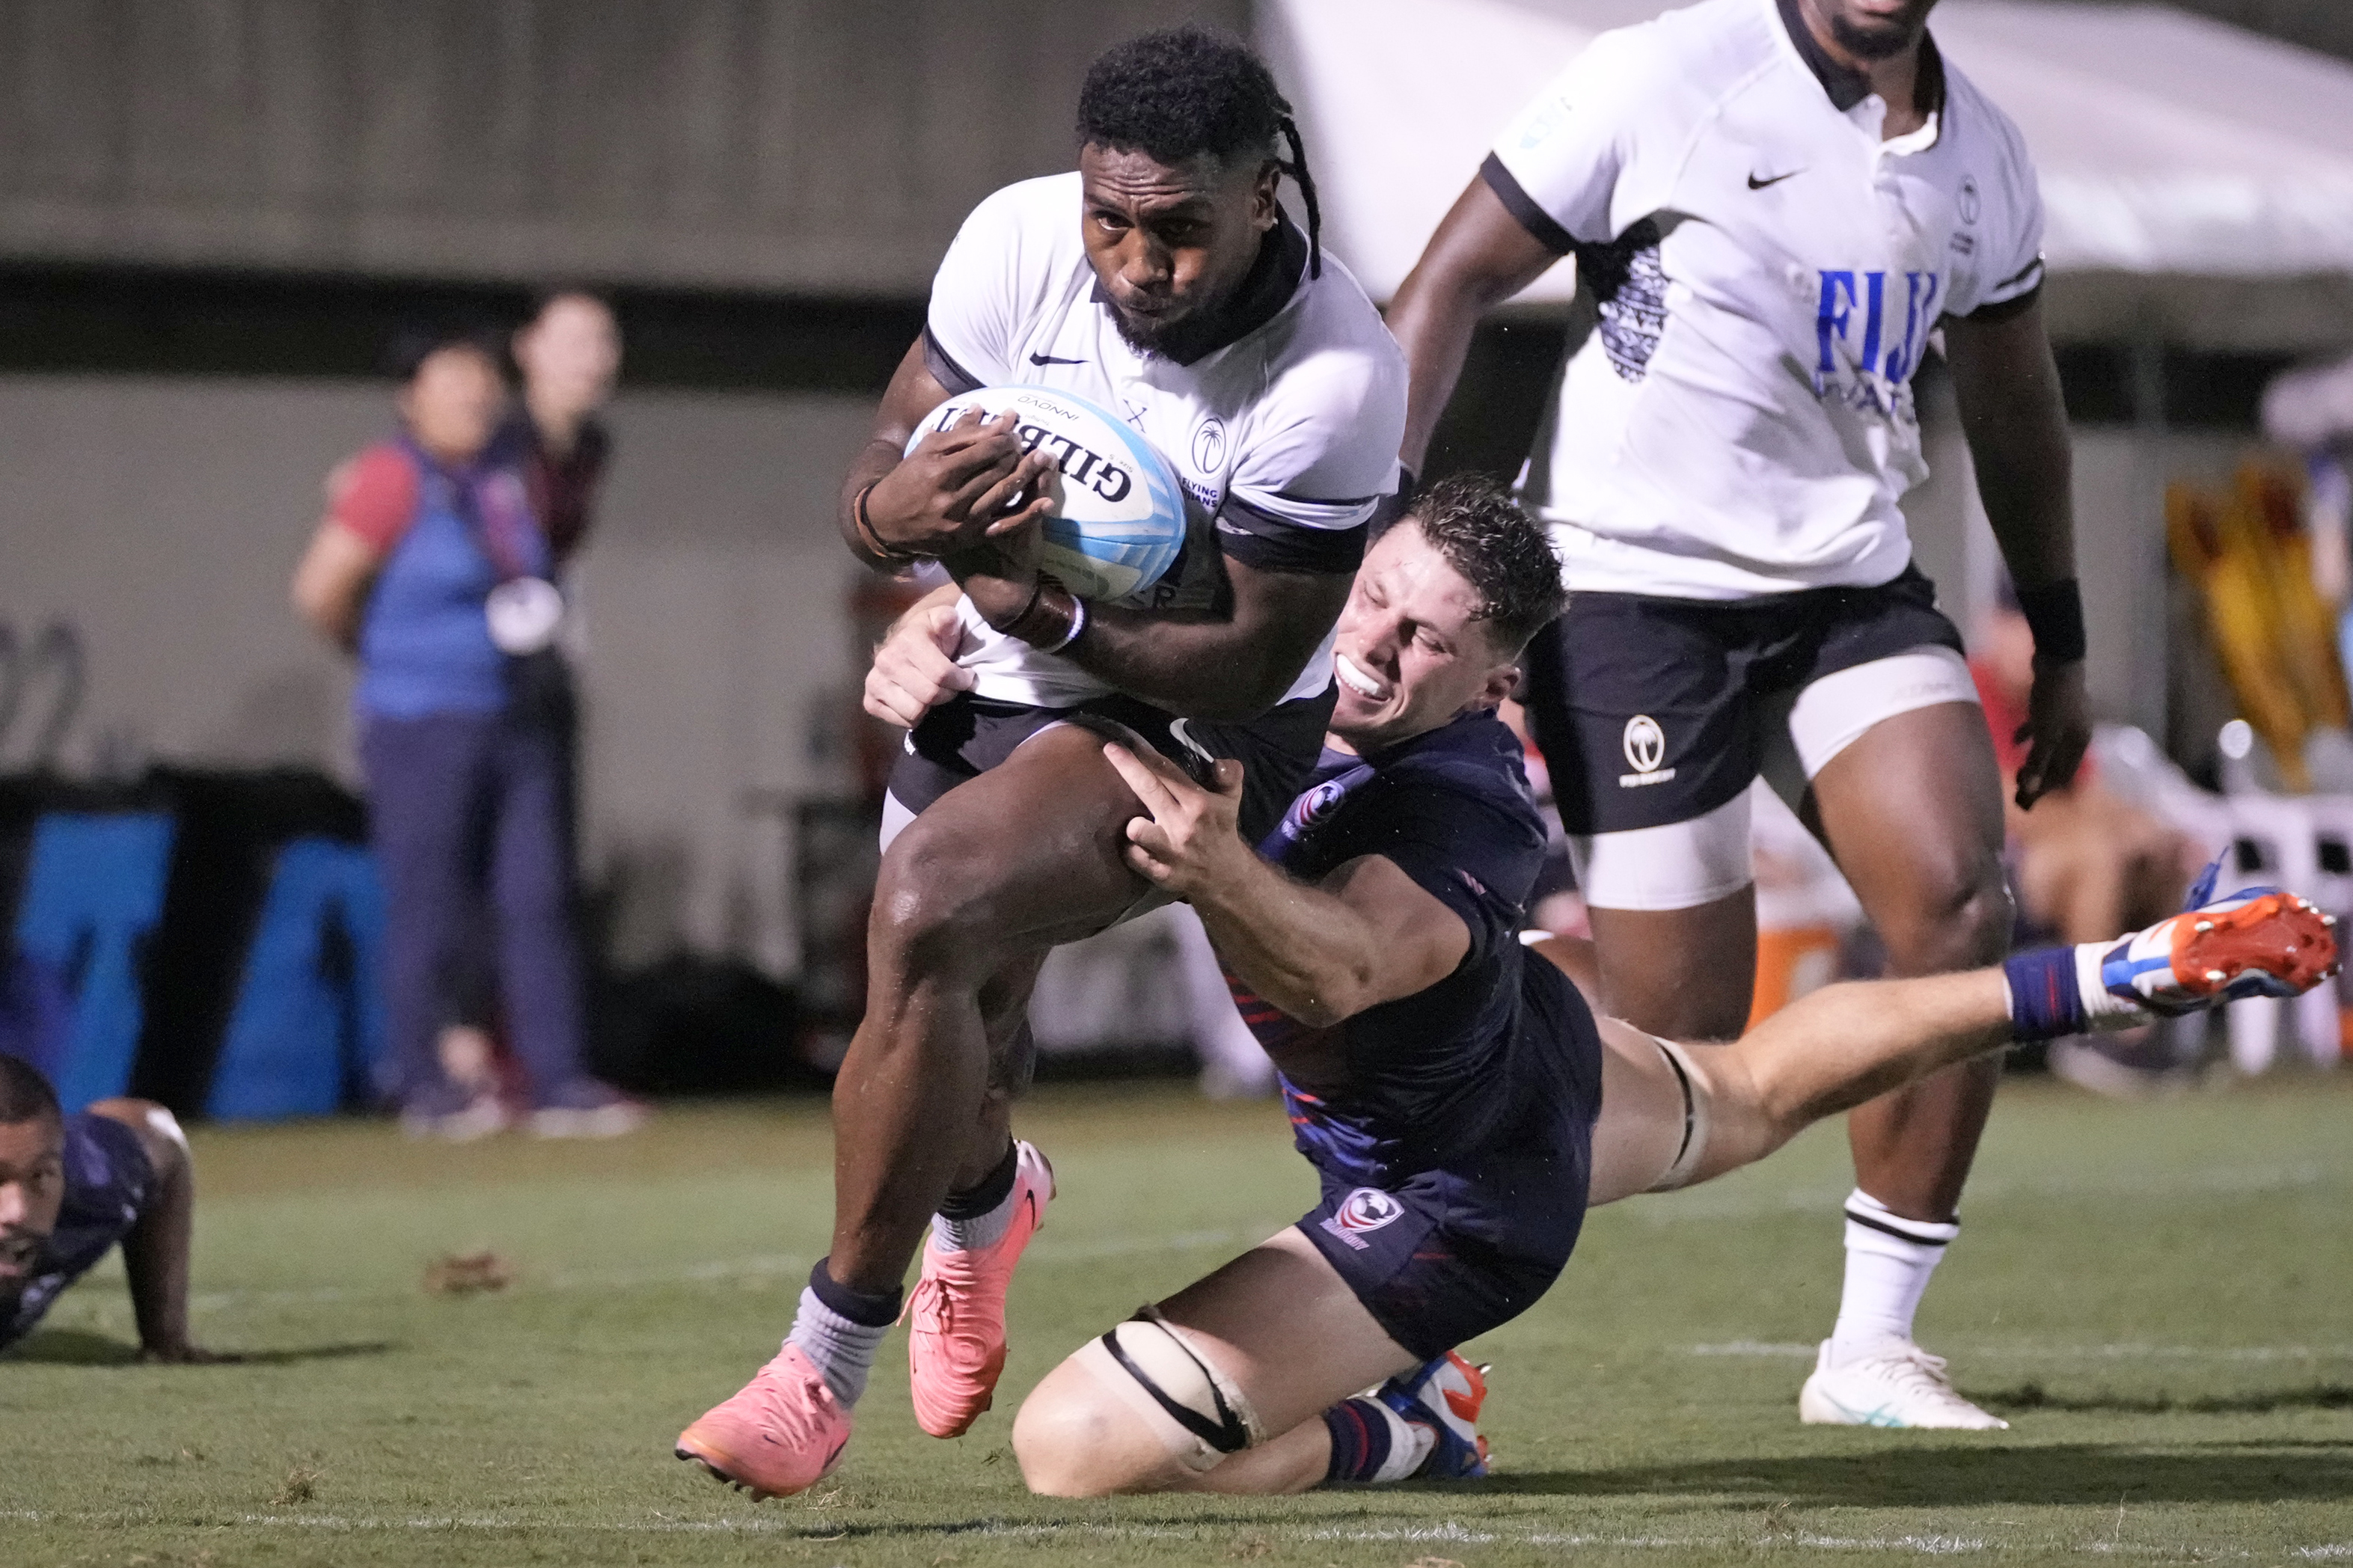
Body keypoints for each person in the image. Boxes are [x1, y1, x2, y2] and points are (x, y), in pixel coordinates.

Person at [982, 488, 2334, 1496]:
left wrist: (1216, 866)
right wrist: (2107, 974)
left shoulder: (1464, 807)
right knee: (1746, 1088)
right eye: (1376, 599)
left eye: (1430, 642)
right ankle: (2116, 972)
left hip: (1459, 1200)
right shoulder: (1290, 651)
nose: (1379, 648)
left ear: (1496, 687)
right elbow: (1771, 1078)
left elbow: (1334, 965)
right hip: (1539, 1062)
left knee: (1075, 1448)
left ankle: (1402, 1426)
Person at [674, 26, 1406, 1496]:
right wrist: (898, 519)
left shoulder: (1335, 368)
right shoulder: (1018, 241)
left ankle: (820, 1364)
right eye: (1111, 217)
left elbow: (1253, 651)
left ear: (1265, 193)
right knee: (961, 1025)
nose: (1138, 260)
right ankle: (988, 1205)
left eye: (1181, 228)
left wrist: (1036, 601)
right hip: (1008, 658)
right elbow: (886, 459)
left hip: (1200, 702)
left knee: (929, 905)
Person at [1380, 0, 2090, 1425]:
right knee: (1678, 1039)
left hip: (1850, 585)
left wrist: (2059, 632)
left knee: (1959, 907)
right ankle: (1415, 1065)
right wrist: (1370, 527)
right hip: (1632, 592)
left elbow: (2014, 397)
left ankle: (1873, 1347)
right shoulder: (1664, 75)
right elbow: (1451, 275)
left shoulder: (1988, 156)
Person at [290, 326, 641, 1141]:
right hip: (421, 719)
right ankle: (424, 1083)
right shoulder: (389, 476)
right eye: (452, 379)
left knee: (535, 895)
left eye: (482, 378)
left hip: (514, 714)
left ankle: (555, 1080)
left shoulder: (500, 476)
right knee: (427, 900)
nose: (473, 394)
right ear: (410, 395)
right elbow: (319, 589)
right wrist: (382, 650)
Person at [438, 291, 625, 1103]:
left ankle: (546, 1069)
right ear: (528, 350)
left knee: (538, 878)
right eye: (573, 339)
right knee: (454, 878)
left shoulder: (589, 443)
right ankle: (449, 1060)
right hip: (461, 684)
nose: (594, 356)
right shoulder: (493, 444)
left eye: (605, 339)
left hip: (538, 679)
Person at [1, 1054, 232, 1362]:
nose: (19, 1211)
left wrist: (166, 1337)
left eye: (41, 1175)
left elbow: (156, 1133)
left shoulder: (89, 1182)